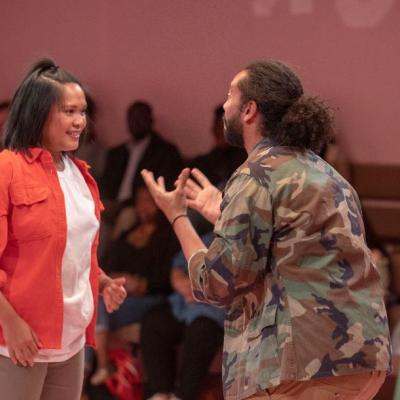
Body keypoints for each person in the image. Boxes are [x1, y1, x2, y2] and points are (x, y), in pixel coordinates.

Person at [141, 60, 391, 400]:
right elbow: (291, 245)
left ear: (249, 110)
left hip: (300, 363)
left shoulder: (255, 175)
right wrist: (226, 214)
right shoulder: (328, 174)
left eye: (230, 94)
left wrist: (177, 217)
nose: (224, 103)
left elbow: (214, 285)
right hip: (360, 358)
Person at [0, 58, 126, 400]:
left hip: (70, 342)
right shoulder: (7, 169)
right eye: (69, 112)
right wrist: (10, 324)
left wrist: (102, 282)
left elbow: (74, 251)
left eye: (82, 112)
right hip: (20, 341)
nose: (80, 122)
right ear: (39, 114)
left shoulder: (80, 174)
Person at [141, 232, 224, 400]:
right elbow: (177, 268)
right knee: (154, 322)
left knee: (201, 331)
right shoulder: (208, 237)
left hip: (216, 312)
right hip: (185, 305)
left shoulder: (241, 240)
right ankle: (160, 392)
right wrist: (185, 285)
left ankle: (183, 396)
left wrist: (203, 290)